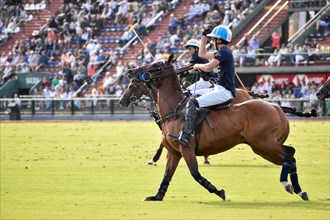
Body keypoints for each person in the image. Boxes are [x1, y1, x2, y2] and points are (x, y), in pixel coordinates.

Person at [172, 25, 236, 147]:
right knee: (191, 96)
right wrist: (203, 39)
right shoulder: (222, 52)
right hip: (218, 88)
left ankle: (185, 136)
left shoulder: (224, 52)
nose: (212, 41)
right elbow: (202, 54)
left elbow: (208, 67)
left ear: (218, 40)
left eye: (213, 39)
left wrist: (197, 66)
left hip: (224, 92)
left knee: (192, 102)